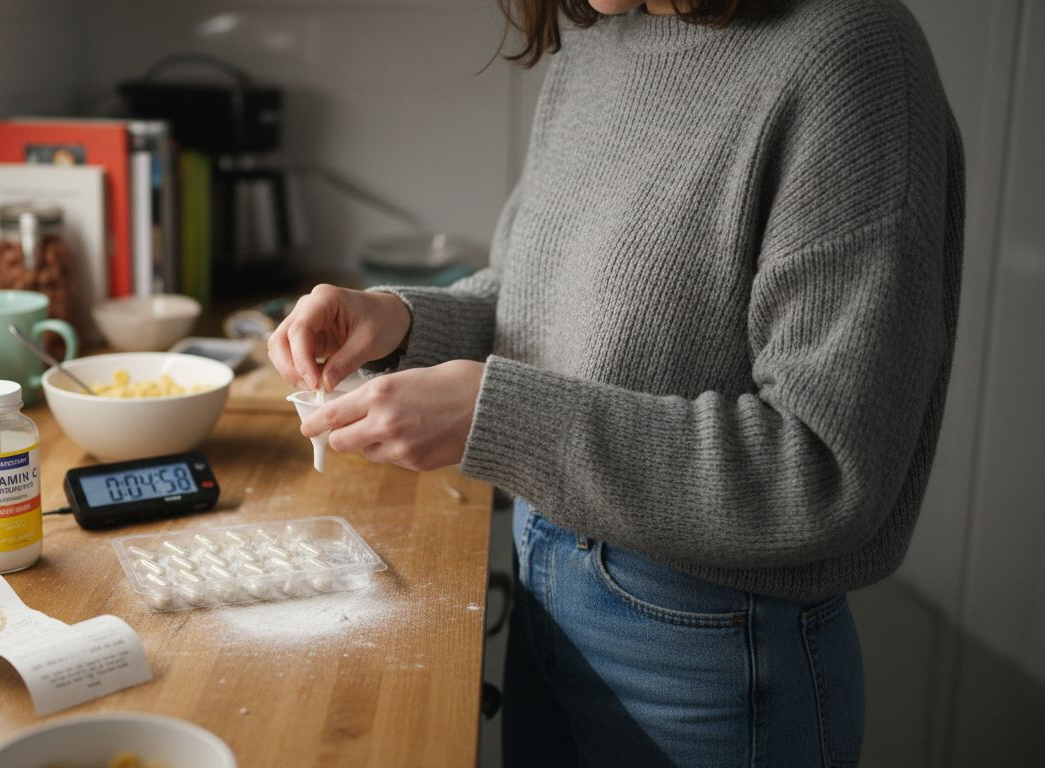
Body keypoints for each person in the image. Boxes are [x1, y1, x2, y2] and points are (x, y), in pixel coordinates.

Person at [267, 0, 963, 764]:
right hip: (544, 592)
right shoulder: (597, 45)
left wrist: (497, 418)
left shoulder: (851, 57)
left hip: (710, 656)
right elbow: (542, 306)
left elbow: (824, 469)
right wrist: (398, 321)